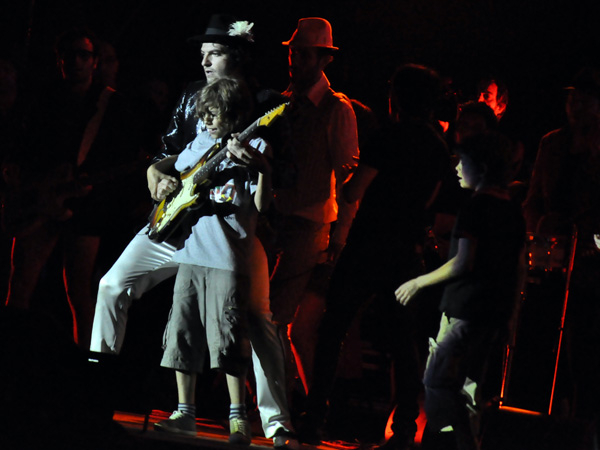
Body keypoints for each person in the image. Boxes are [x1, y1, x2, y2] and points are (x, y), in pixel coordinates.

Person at [89, 14, 298, 449]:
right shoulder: (189, 95)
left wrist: (259, 168)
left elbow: (286, 172)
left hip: (231, 233)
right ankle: (95, 395)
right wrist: (155, 177)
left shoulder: (268, 102)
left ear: (236, 55)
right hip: (178, 222)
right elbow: (166, 155)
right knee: (111, 286)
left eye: (214, 53)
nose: (203, 61)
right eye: (201, 54)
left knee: (256, 320)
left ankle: (276, 423)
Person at [298, 64, 451, 450]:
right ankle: (403, 430)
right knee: (403, 342)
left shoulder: (387, 135)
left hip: (368, 245)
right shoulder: (437, 143)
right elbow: (434, 201)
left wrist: (350, 175)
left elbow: (352, 193)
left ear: (397, 96)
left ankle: (315, 418)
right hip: (405, 249)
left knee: (333, 330)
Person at [3, 27, 144, 349]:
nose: (77, 62)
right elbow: (23, 147)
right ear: (60, 60)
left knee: (80, 293)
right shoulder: (43, 100)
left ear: (94, 62)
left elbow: (123, 158)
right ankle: (12, 359)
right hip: (42, 201)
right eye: (71, 55)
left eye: (84, 55)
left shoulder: (111, 105)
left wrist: (93, 187)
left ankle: (84, 370)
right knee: (20, 284)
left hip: (85, 207)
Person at [150, 76, 271, 445]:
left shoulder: (257, 144)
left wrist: (261, 168)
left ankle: (238, 418)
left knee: (229, 339)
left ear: (233, 114)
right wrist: (166, 186)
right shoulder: (199, 141)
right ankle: (184, 412)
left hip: (228, 257)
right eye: (204, 115)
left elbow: (263, 206)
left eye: (214, 115)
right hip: (190, 253)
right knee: (181, 336)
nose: (207, 121)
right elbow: (176, 175)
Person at [396, 131, 526, 450]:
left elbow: (461, 263)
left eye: (462, 161)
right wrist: (512, 317)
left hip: (464, 310)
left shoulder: (475, 206)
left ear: (480, 167)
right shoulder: (513, 210)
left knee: (437, 382)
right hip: (493, 314)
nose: (456, 168)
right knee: (468, 389)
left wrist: (417, 282)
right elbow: (519, 268)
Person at [265, 17, 359, 399]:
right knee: (274, 321)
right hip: (276, 221)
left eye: (303, 53)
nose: (294, 59)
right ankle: (288, 408)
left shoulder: (336, 109)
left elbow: (349, 179)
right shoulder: (285, 104)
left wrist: (339, 237)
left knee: (275, 319)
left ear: (323, 59)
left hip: (310, 226)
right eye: (293, 52)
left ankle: (276, 411)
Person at [523, 67, 600, 438]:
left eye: (585, 99)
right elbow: (534, 198)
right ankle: (553, 422)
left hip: (593, 263)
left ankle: (583, 425)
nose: (576, 106)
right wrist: (541, 233)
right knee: (549, 341)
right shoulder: (552, 143)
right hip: (555, 256)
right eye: (573, 98)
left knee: (584, 347)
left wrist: (594, 244)